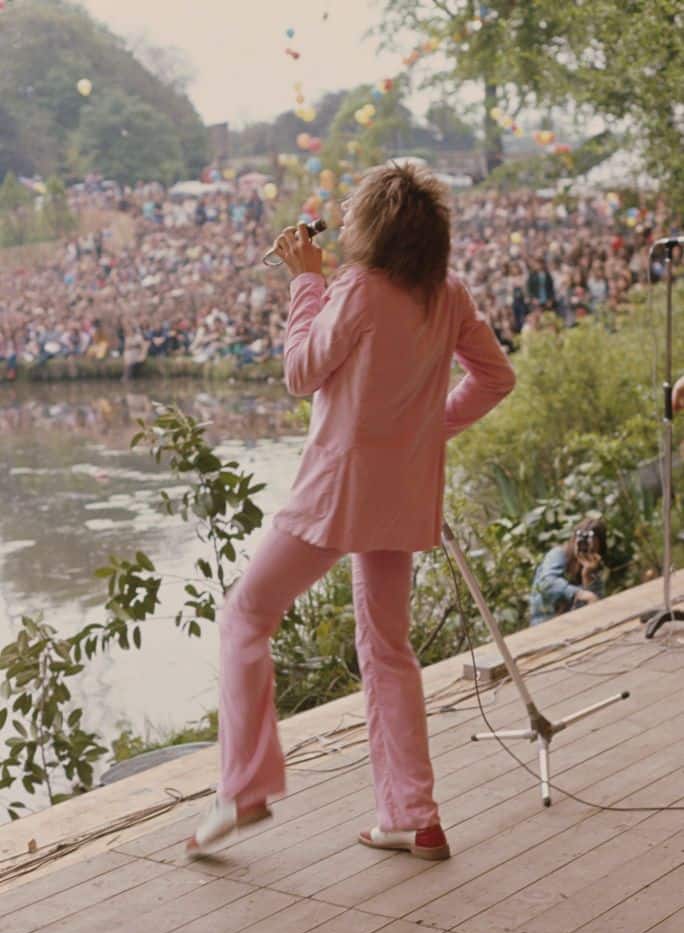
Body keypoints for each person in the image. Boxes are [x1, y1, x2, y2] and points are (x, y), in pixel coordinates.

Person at [185, 163, 516, 861]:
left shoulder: (358, 289)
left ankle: (244, 786)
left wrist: (307, 281)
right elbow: (497, 378)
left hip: (336, 493)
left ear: (371, 226)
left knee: (247, 614)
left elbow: (302, 371)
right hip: (402, 494)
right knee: (389, 650)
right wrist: (429, 430)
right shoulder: (447, 293)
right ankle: (413, 815)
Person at [529, 517, 607, 626]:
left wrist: (587, 575)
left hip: (575, 625)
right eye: (581, 545)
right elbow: (546, 583)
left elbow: (594, 607)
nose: (585, 550)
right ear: (574, 540)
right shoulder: (558, 555)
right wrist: (578, 593)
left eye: (591, 548)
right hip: (545, 624)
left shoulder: (594, 566)